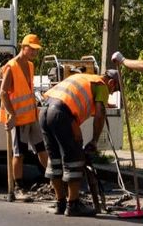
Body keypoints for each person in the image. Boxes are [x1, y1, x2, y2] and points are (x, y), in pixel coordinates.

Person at [39, 68, 120, 216]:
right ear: (112, 82)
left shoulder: (85, 78)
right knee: (74, 158)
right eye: (114, 90)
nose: (111, 94)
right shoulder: (101, 85)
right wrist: (94, 141)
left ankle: (60, 203)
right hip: (61, 114)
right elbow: (100, 114)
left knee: (55, 159)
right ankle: (73, 204)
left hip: (44, 112)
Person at [0, 34, 50, 201]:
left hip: (31, 116)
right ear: (24, 47)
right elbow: (3, 93)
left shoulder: (30, 65)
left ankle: (54, 179)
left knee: (41, 149)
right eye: (32, 49)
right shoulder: (11, 66)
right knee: (19, 154)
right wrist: (12, 115)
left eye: (37, 49)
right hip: (18, 118)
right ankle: (19, 188)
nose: (35, 52)